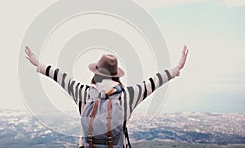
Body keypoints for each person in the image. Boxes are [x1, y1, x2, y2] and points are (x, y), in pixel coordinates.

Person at [25, 45, 189, 148]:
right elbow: (153, 82)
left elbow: (61, 77)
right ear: (116, 75)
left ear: (96, 72)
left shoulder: (83, 93)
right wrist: (176, 69)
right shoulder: (127, 96)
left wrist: (39, 64)